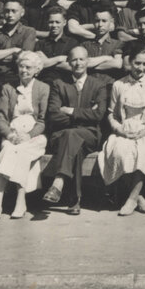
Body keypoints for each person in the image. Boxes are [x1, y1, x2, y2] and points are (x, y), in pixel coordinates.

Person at [98, 42, 145, 216]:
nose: (141, 68)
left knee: (144, 152)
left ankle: (131, 199)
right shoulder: (119, 85)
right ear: (130, 62)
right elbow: (111, 115)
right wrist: (120, 130)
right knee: (120, 151)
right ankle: (138, 196)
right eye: (137, 63)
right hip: (125, 130)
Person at [43, 46, 113, 214]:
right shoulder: (59, 85)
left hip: (90, 135)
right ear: (68, 62)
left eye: (82, 59)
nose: (78, 63)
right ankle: (75, 200)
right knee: (74, 142)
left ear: (88, 61)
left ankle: (59, 182)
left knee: (72, 135)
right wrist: (85, 114)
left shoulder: (99, 85)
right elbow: (53, 114)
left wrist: (71, 110)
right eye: (74, 59)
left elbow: (98, 115)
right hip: (62, 134)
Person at [0, 51, 50, 220]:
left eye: (28, 67)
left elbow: (43, 120)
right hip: (13, 134)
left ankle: (19, 200)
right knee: (8, 151)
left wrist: (29, 135)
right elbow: (1, 117)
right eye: (21, 66)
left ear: (36, 70)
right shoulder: (8, 88)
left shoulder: (43, 88)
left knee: (21, 152)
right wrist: (9, 135)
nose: (24, 70)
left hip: (34, 136)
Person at [0, 0, 37, 88]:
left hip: (17, 77)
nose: (10, 15)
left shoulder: (29, 32)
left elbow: (25, 57)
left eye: (14, 11)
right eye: (7, 11)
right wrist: (14, 50)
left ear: (22, 12)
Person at [34, 6, 78, 84]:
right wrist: (59, 59)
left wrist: (47, 62)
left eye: (57, 22)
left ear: (64, 22)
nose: (54, 25)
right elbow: (37, 65)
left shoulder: (73, 43)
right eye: (51, 22)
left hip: (65, 85)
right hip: (43, 84)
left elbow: (72, 67)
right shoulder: (40, 44)